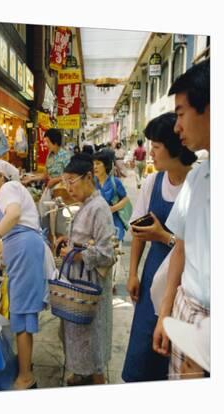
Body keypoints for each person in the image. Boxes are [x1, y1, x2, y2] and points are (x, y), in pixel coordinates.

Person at [122, 112, 197, 383]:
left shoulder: (197, 184)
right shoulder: (153, 183)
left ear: (175, 146)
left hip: (184, 284)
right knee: (143, 351)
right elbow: (139, 233)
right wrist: (132, 273)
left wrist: (163, 235)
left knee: (171, 355)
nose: (150, 152)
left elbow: (197, 247)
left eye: (156, 146)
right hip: (153, 275)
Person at [152, 58, 210, 379]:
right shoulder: (199, 176)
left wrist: (208, 348)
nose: (177, 127)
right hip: (185, 311)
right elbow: (181, 250)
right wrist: (165, 314)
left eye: (180, 114)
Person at [0, 159, 48, 390]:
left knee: (22, 313)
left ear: (0, 177)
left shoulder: (8, 188)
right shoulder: (11, 190)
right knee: (23, 313)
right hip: (25, 252)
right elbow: (11, 209)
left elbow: (15, 213)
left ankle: (26, 377)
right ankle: (26, 368)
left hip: (25, 252)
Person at [56, 153, 115, 386]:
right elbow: (82, 238)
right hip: (78, 283)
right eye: (65, 181)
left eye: (72, 181)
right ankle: (81, 373)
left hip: (91, 286)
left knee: (93, 338)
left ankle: (97, 381)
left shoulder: (99, 208)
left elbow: (107, 253)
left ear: (88, 177)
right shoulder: (86, 205)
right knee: (76, 332)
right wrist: (68, 242)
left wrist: (77, 254)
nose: (68, 187)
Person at [92, 151, 130, 242]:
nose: (95, 167)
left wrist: (113, 208)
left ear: (106, 165)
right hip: (98, 224)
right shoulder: (92, 183)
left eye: (98, 164)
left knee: (114, 250)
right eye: (93, 164)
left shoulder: (115, 182)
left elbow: (125, 199)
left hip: (115, 223)